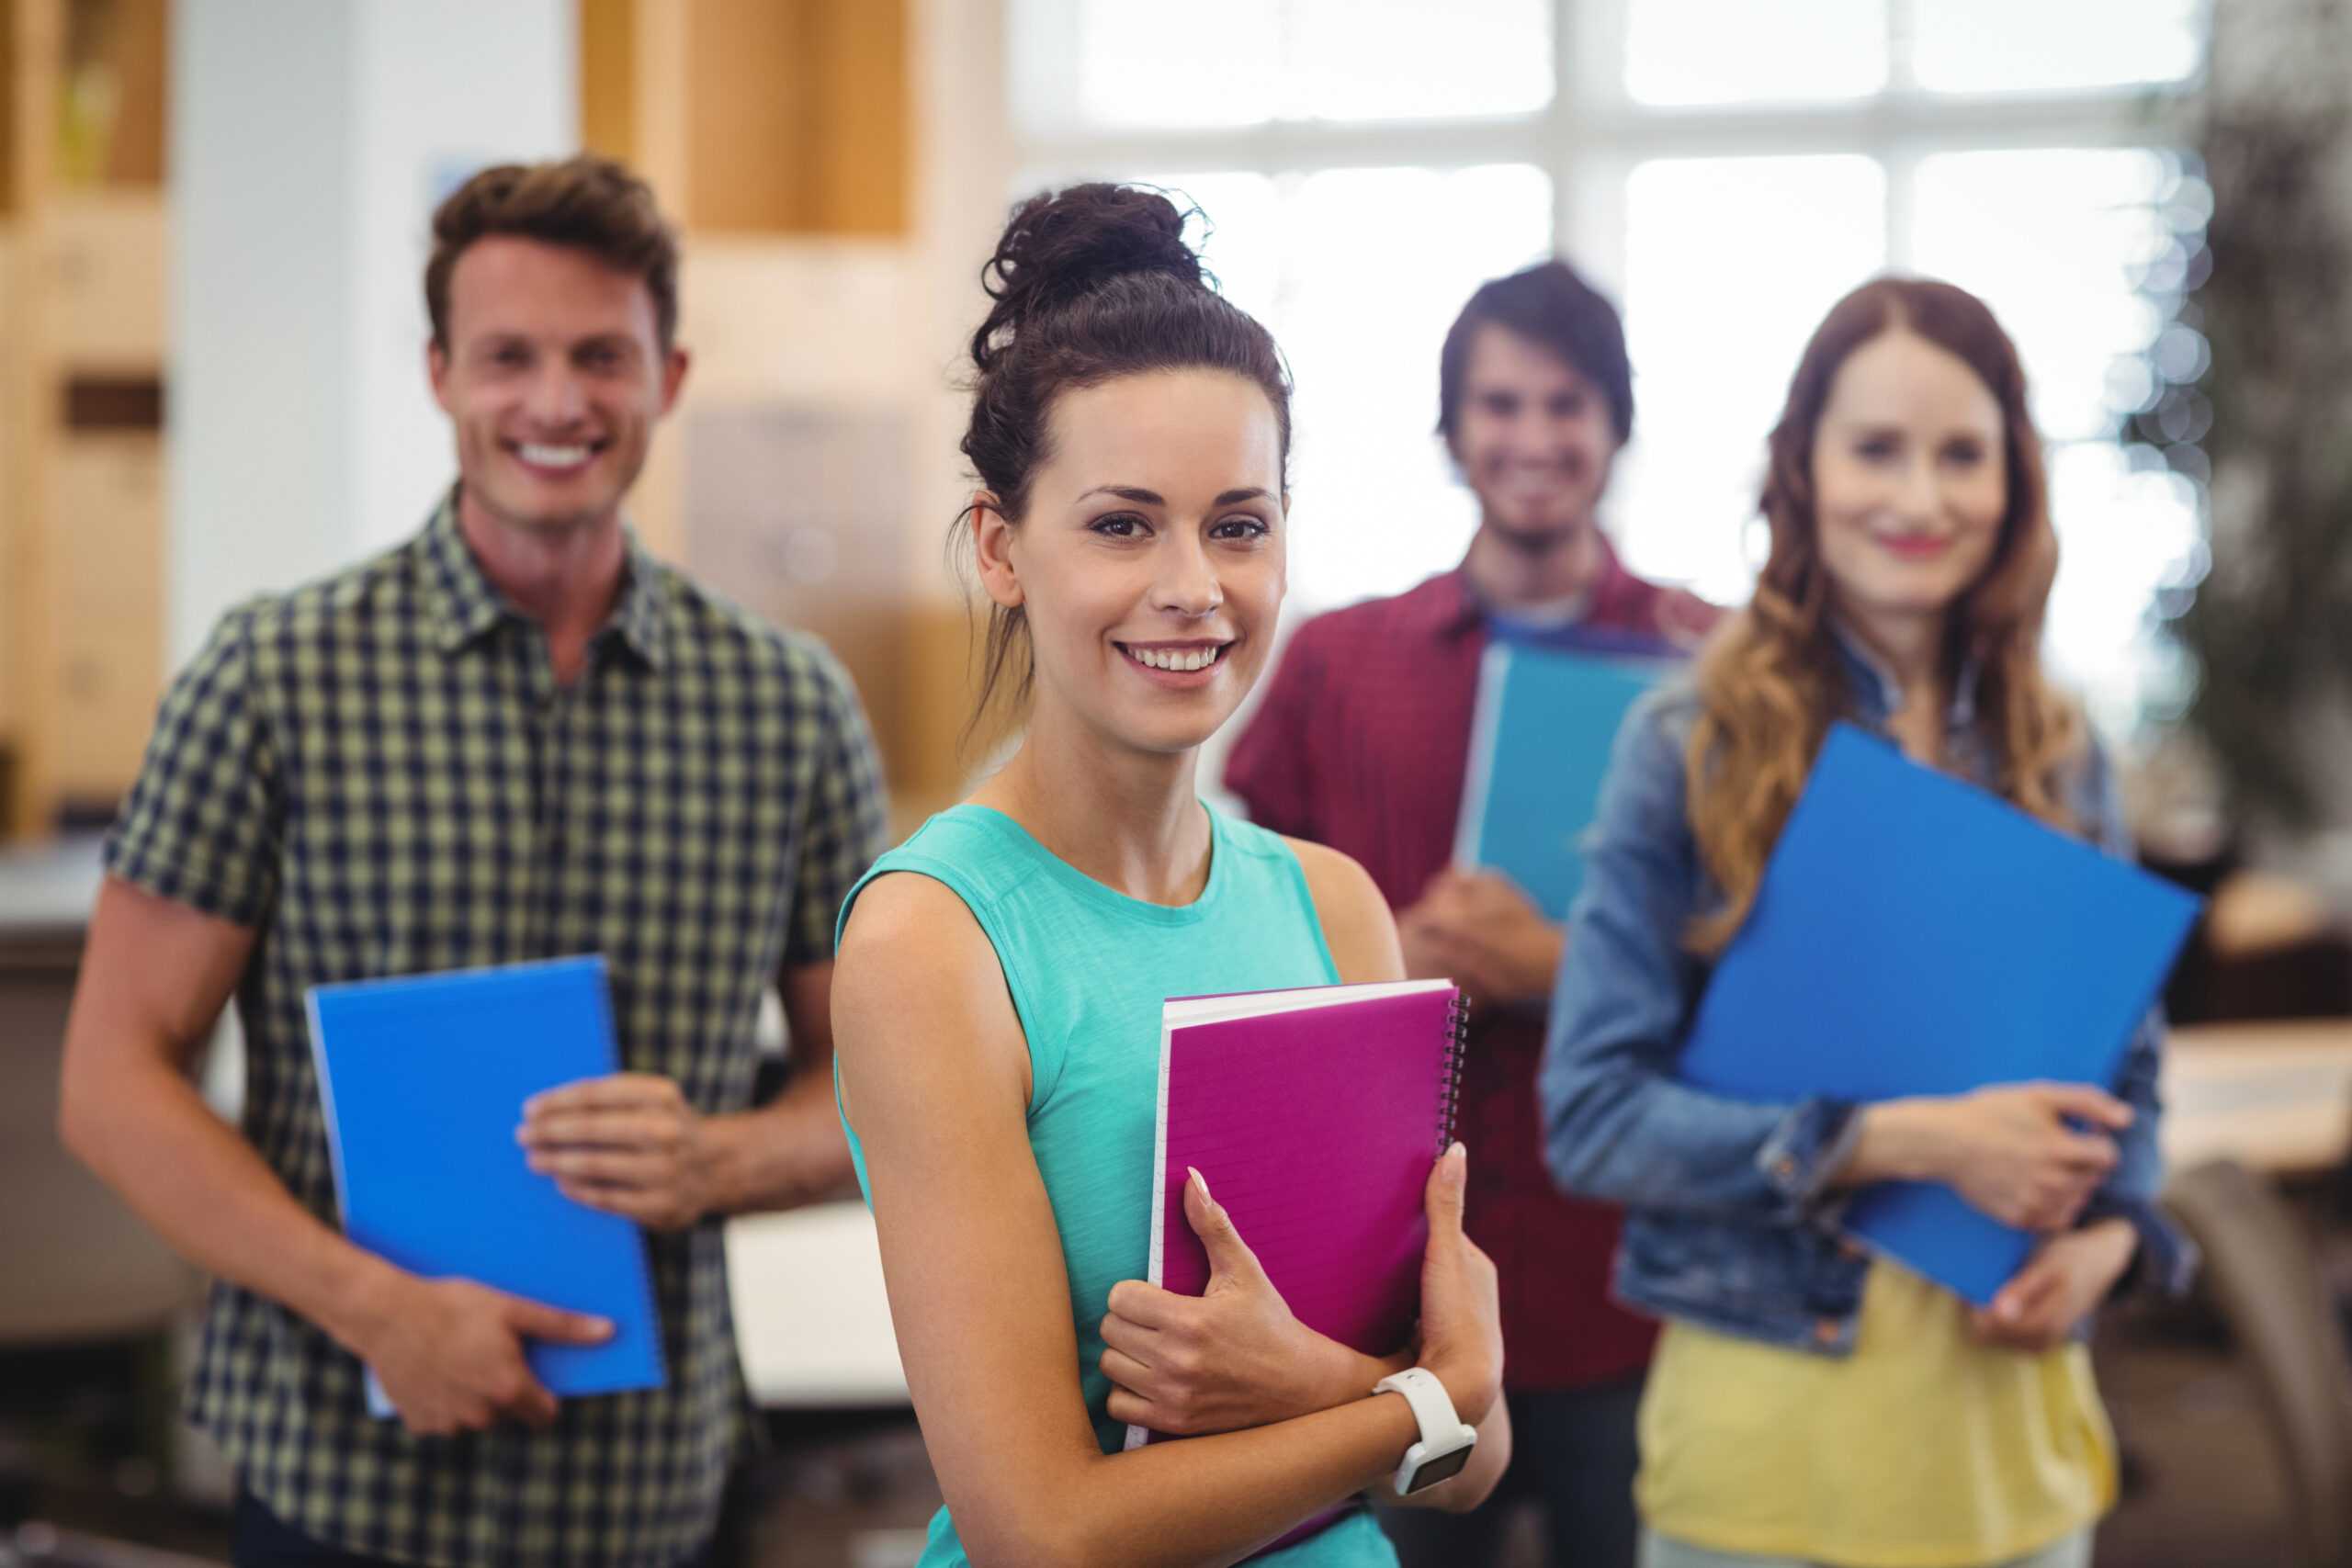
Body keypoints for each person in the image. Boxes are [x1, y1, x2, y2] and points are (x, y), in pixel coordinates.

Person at [57, 155, 888, 1568]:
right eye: (509, 356)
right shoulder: (275, 675)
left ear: (668, 377)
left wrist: (718, 1157)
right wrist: (373, 1304)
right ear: (441, 373)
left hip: (646, 1493)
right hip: (337, 1475)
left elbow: (878, 1087)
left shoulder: (790, 709)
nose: (556, 402)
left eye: (600, 357)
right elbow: (112, 1082)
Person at [829, 184, 1511, 1568]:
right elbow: (1045, 1533)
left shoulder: (1332, 907)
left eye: (1240, 525)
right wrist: (1408, 1401)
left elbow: (1475, 1462)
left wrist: (1355, 1394)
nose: (1195, 584)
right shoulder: (934, 940)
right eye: (1124, 525)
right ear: (1003, 549)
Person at [1538, 277, 2195, 1568]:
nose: (1920, 497)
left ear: (2014, 479)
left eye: (1962, 454)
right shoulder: (1686, 742)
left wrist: (2111, 1242)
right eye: (1876, 449)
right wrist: (1910, 1142)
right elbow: (1594, 1119)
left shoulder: (2066, 758)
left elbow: (2133, 1095)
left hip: (2016, 1465)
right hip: (1765, 1469)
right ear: (1802, 469)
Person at [1227, 258, 1715, 1568]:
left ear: (1616, 426)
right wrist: (1388, 952)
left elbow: (1790, 968)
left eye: (1567, 403)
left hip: (1637, 1277)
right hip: (1388, 1295)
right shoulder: (1337, 668)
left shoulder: (1711, 667)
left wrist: (1574, 963)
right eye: (1500, 404)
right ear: (1452, 433)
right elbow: (1227, 925)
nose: (1535, 438)